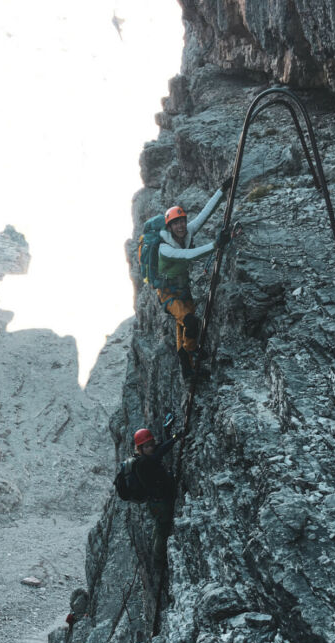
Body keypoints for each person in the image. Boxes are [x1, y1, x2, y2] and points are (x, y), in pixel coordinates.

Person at [157, 177, 232, 379]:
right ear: (170, 227)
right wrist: (215, 245)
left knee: (183, 326)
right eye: (176, 223)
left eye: (182, 221)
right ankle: (192, 351)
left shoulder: (187, 231)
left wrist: (221, 191)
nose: (181, 226)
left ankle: (187, 370)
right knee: (190, 322)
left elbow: (205, 214)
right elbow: (188, 255)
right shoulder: (164, 248)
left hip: (182, 287)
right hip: (168, 293)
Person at [132, 424, 180, 563]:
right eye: (146, 446)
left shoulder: (146, 457)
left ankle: (155, 548)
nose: (150, 448)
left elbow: (158, 449)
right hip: (158, 502)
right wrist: (174, 439)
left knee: (159, 525)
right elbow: (159, 452)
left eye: (151, 445)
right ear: (141, 449)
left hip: (156, 500)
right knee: (162, 527)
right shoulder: (143, 462)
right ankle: (158, 557)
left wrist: (170, 435)